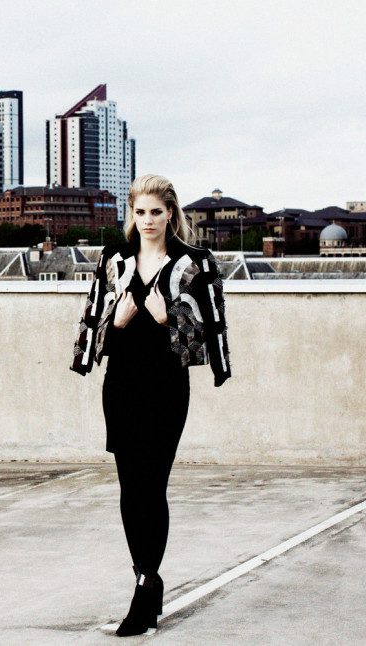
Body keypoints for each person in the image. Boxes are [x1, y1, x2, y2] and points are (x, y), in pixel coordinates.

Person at [72, 174, 231, 636]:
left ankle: (145, 588)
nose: (147, 221)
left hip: (166, 389)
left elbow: (208, 338)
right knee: (129, 488)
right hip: (121, 386)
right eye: (139, 212)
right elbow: (91, 329)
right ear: (132, 214)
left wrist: (168, 319)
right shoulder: (112, 259)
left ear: (170, 214)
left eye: (156, 212)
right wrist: (119, 323)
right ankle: (146, 580)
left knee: (152, 486)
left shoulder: (195, 262)